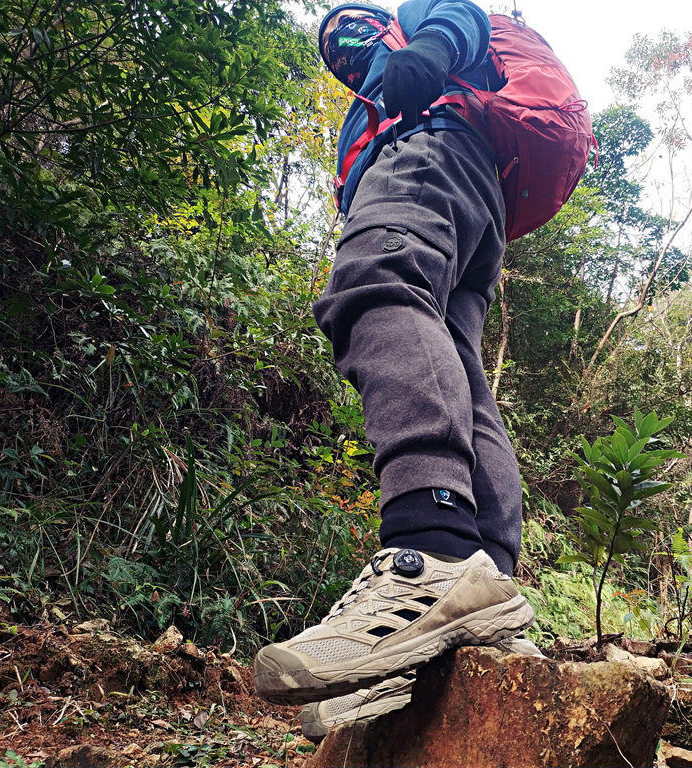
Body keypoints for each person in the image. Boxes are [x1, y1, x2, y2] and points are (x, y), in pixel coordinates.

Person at [253, 0, 538, 724]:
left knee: (373, 284)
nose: (339, 47)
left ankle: (428, 550)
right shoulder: (369, 96)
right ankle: (482, 593)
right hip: (475, 197)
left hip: (430, 156)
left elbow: (461, 15)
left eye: (345, 31)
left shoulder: (409, 33)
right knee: (458, 366)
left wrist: (426, 49)